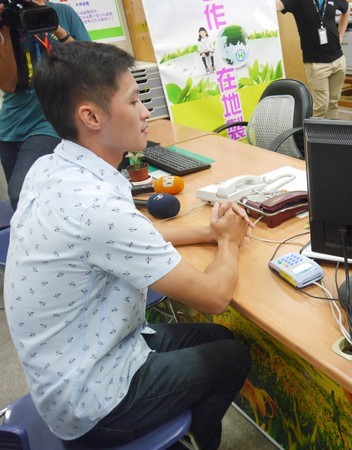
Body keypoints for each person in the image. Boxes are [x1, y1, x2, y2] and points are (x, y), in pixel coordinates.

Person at [5, 41, 253, 449]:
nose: (146, 112)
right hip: (89, 401)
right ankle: (197, 441)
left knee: (219, 340)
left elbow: (131, 235)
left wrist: (208, 231)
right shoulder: (97, 207)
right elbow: (214, 296)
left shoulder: (52, 166)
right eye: (135, 100)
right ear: (91, 116)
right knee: (231, 358)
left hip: (74, 362)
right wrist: (228, 242)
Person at [0, 0, 90, 211]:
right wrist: (4, 30)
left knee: (19, 191)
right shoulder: (8, 18)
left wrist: (57, 29)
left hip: (51, 117)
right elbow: (9, 84)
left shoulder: (62, 12)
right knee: (24, 204)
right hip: (10, 125)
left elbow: (90, 62)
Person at [275, 0, 350, 118]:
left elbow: (346, 9)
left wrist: (341, 34)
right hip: (316, 64)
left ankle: (331, 135)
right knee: (321, 106)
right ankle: (311, 135)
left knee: (333, 103)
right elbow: (276, 6)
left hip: (338, 59)